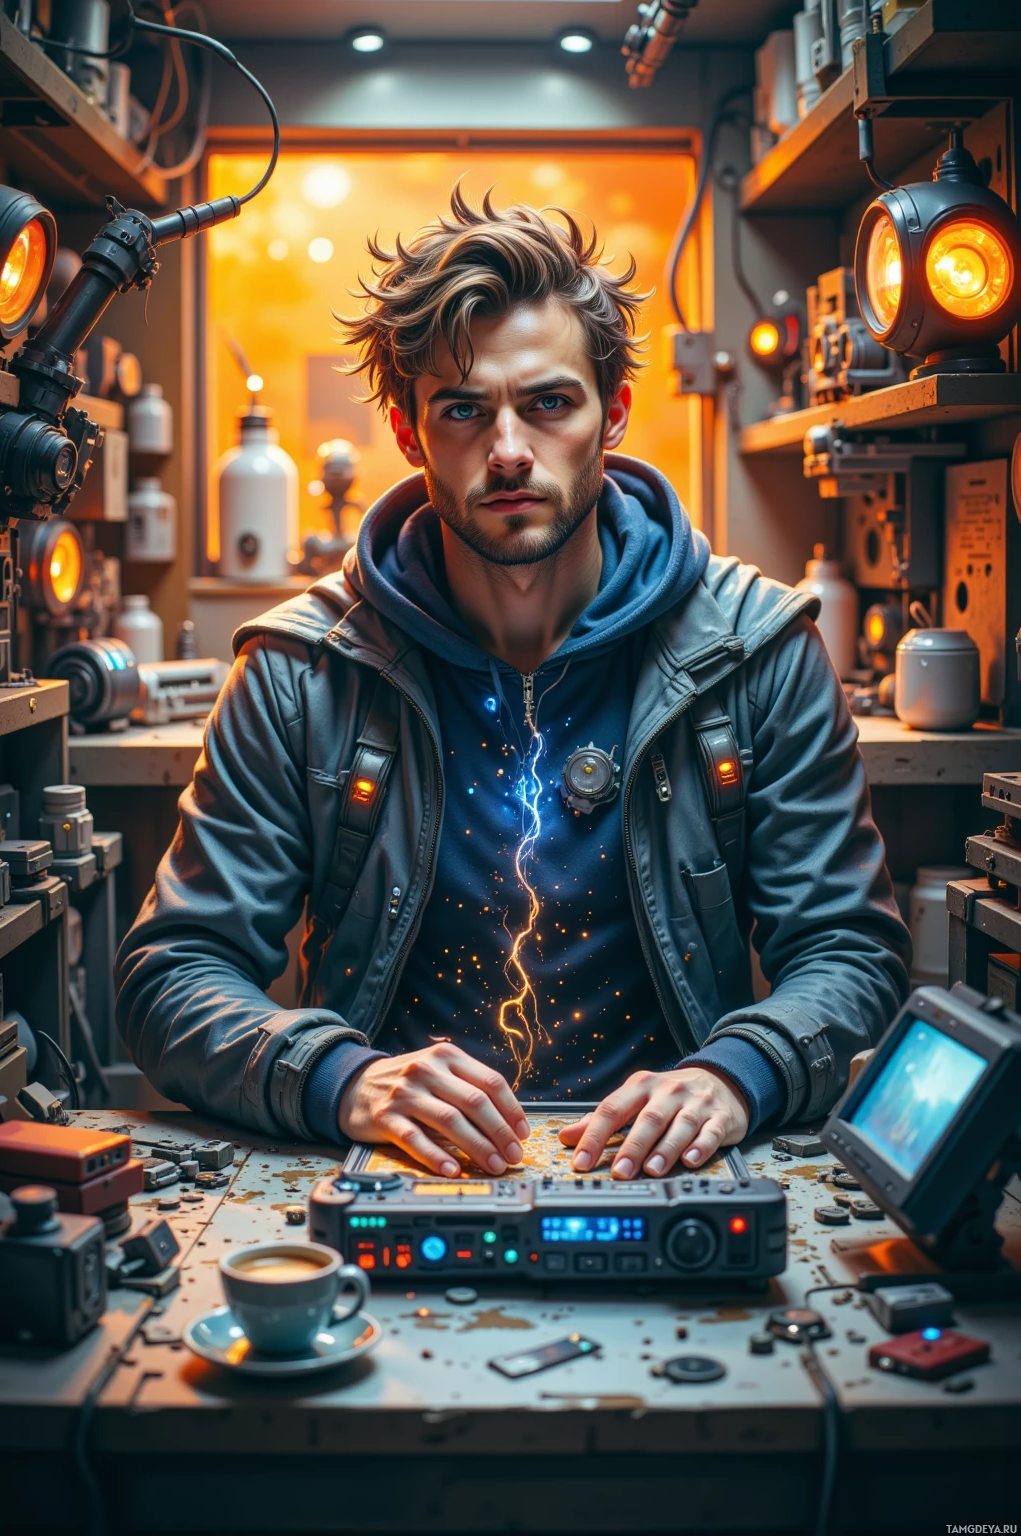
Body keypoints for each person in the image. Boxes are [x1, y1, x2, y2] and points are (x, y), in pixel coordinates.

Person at [116, 188, 910, 1182]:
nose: (506, 451)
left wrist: (736, 1076)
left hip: (662, 1172)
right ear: (409, 434)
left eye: (547, 403)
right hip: (396, 1173)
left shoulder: (757, 649)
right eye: (461, 410)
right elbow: (170, 975)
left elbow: (852, 955)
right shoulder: (300, 670)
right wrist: (340, 1079)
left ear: (611, 414)